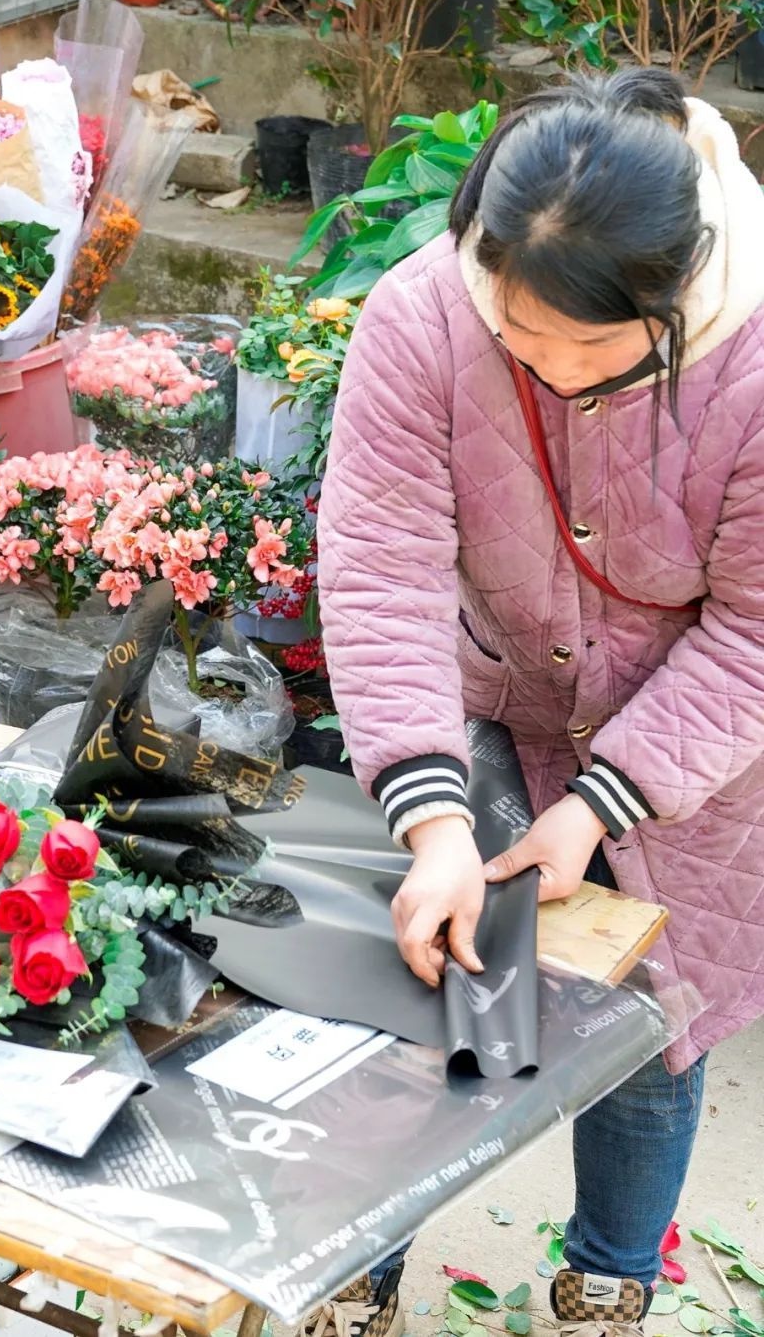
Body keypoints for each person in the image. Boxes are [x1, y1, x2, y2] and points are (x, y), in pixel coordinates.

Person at [313, 69, 764, 1337]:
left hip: (697, 745)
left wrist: (604, 805)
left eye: (599, 348)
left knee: (651, 1024)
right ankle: (357, 1273)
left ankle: (610, 1278)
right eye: (524, 339)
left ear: (680, 291)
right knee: (425, 989)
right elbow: (382, 564)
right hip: (486, 687)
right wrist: (433, 818)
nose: (557, 372)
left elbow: (755, 628)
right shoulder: (420, 316)